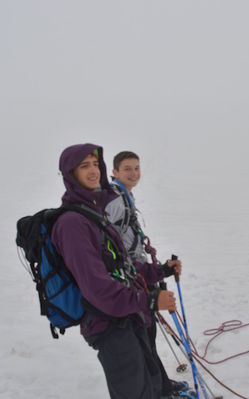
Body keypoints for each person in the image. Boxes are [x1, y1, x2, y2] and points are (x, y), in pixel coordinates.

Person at [51, 143, 182, 399]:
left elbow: (124, 267)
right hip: (107, 323)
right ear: (70, 173)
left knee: (151, 382)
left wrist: (161, 271)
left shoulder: (93, 213)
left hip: (127, 315)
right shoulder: (72, 224)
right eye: (83, 166)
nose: (92, 171)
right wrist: (151, 300)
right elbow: (96, 287)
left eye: (94, 164)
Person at [106, 151, 191, 399]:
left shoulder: (124, 196)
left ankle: (161, 386)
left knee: (149, 335)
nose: (133, 173)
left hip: (136, 274)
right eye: (127, 169)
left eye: (136, 168)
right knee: (144, 338)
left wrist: (158, 269)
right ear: (115, 172)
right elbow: (105, 238)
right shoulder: (114, 200)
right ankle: (157, 390)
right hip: (128, 278)